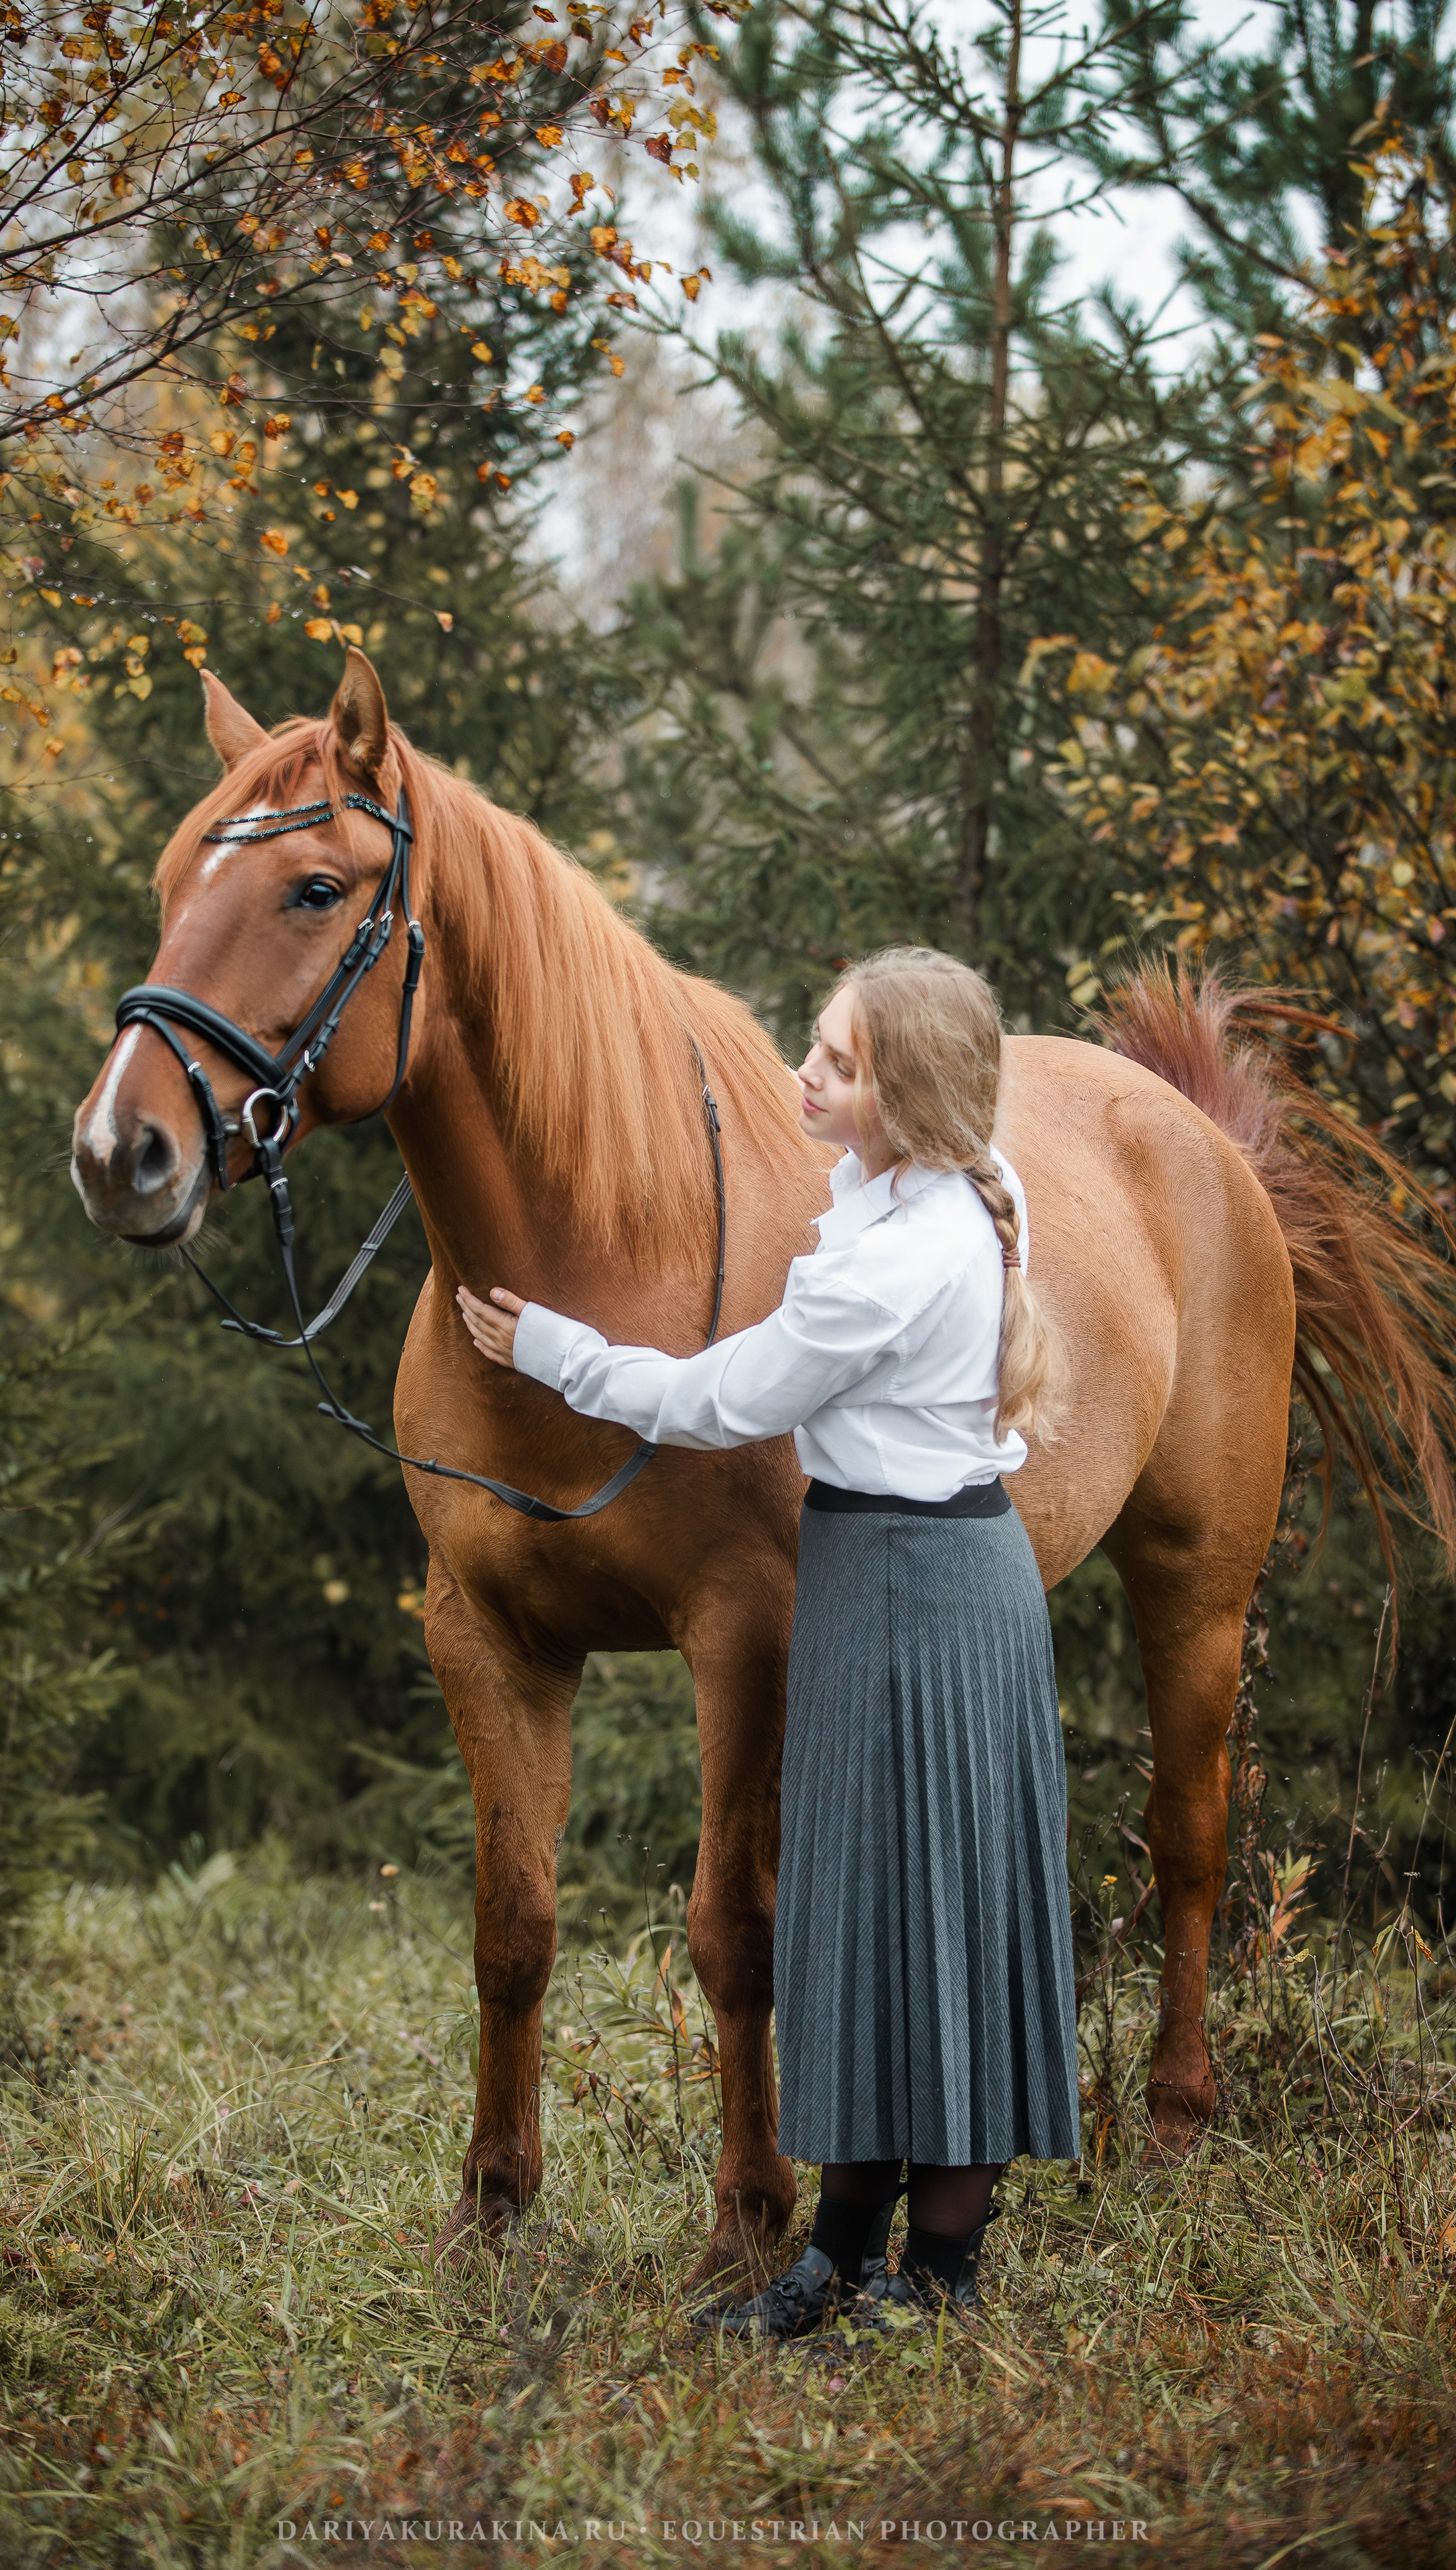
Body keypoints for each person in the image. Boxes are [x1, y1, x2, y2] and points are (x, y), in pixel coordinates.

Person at [456, 945, 1079, 2338]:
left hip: (922, 1588)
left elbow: (716, 1398)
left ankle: (935, 2275)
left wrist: (547, 1348)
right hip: (875, 1572)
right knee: (861, 1918)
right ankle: (841, 2256)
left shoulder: (901, 1256)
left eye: (837, 1060)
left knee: (947, 1929)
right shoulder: (935, 1189)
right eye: (813, 1043)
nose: (801, 1073)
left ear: (903, 1091)